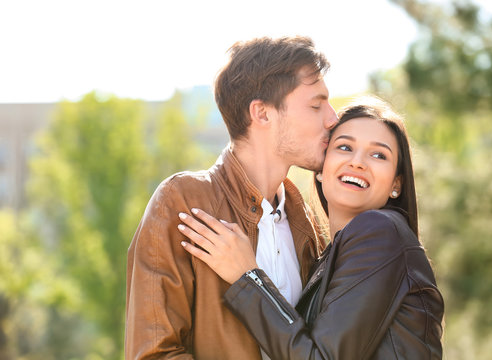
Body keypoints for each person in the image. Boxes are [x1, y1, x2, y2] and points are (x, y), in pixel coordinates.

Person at [178, 96, 445, 359]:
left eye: (378, 154)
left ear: (396, 184)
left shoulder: (382, 232)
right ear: (320, 167)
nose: (358, 162)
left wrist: (248, 277)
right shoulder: (329, 258)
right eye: (344, 147)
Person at [124, 36, 338, 359]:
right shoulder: (184, 204)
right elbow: (154, 353)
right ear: (262, 113)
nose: (332, 118)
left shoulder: (306, 223)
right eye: (315, 105)